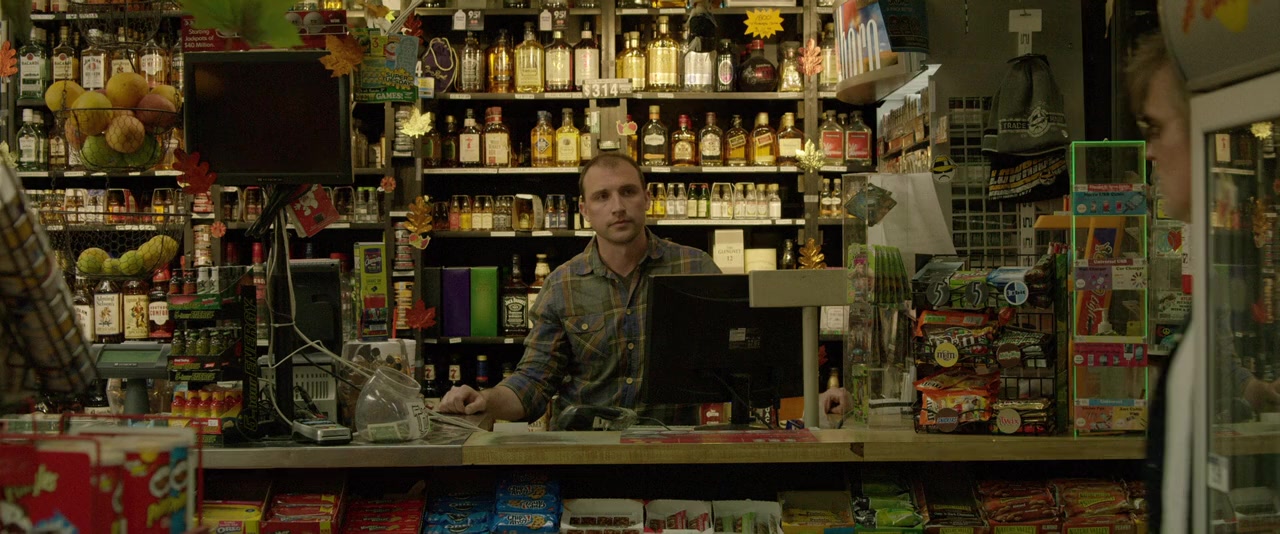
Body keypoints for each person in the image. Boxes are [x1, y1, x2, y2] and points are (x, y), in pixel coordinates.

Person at [436, 153, 721, 424]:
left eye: (628, 192)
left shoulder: (695, 267)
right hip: (586, 445)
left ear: (647, 199)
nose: (618, 206)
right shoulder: (562, 284)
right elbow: (534, 381)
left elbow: (731, 360)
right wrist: (484, 399)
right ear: (584, 210)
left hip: (671, 445)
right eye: (602, 196)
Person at [1126, 32, 1280, 533]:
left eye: (1156, 128)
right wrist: (1254, 389)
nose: (1150, 152)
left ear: (1206, 125)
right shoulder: (1211, 279)